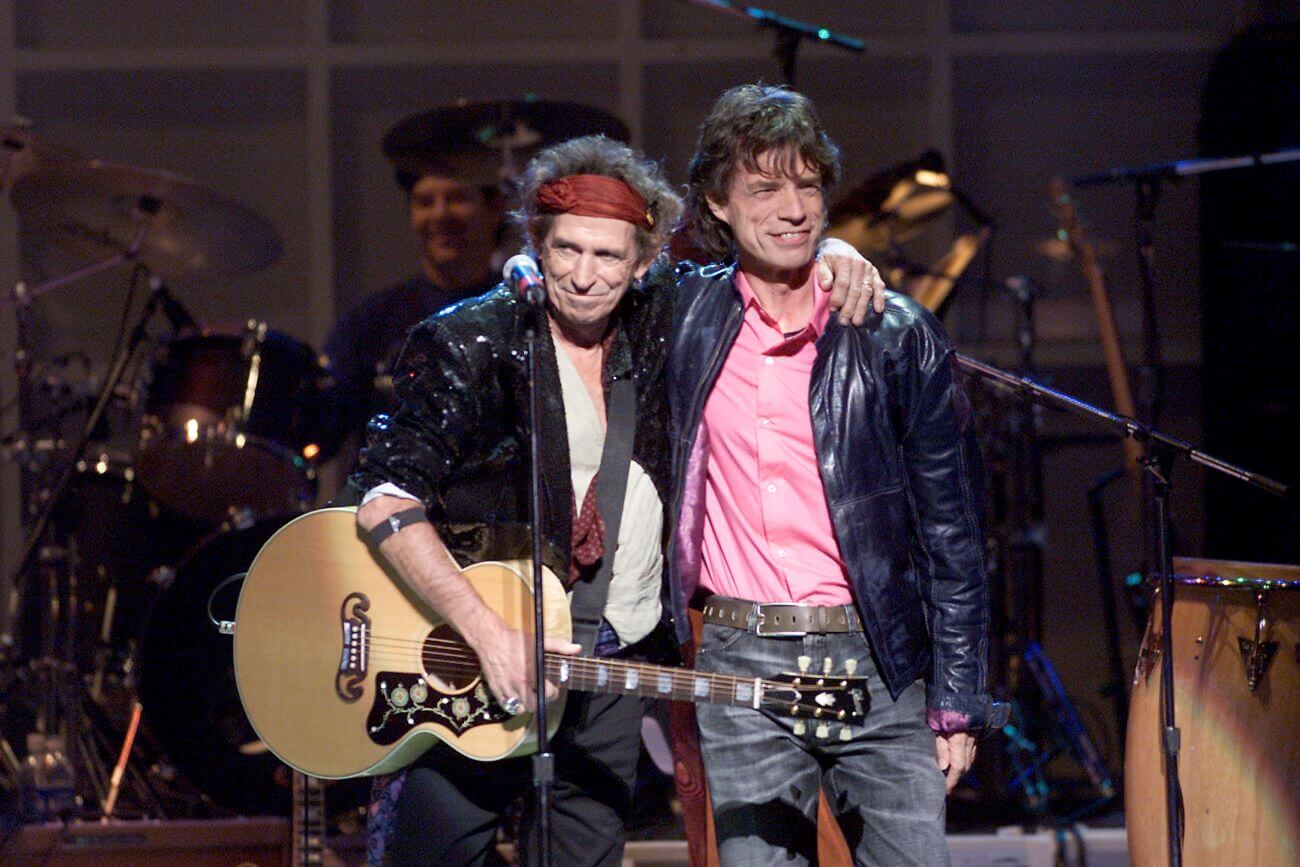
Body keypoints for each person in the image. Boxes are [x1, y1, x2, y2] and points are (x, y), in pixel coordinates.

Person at [351, 129, 883, 865]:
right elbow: (383, 497)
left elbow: (759, 272)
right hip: (471, 664)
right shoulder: (472, 340)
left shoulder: (666, 326)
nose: (584, 275)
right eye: (566, 249)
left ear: (642, 263)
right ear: (537, 245)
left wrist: (833, 255)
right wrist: (484, 629)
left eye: (608, 255)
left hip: (606, 670)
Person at [667, 84, 1004, 865]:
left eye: (808, 185)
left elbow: (952, 530)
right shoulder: (683, 316)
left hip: (879, 660)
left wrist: (957, 699)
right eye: (764, 187)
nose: (793, 208)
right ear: (718, 202)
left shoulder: (894, 331)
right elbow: (596, 267)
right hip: (739, 663)